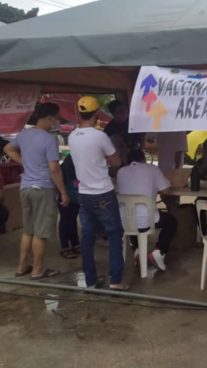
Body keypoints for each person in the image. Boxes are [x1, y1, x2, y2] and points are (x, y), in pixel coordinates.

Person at [4, 103, 69, 281]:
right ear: (50, 118)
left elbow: (7, 149)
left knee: (28, 230)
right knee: (41, 232)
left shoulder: (24, 135)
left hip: (26, 188)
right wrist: (63, 192)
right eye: (58, 118)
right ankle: (38, 270)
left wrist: (25, 162)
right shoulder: (49, 139)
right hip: (44, 188)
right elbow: (54, 168)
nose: (58, 122)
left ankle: (22, 266)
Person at [68, 96, 128, 290]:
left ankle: (91, 280)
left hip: (83, 193)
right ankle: (116, 280)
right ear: (95, 113)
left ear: (79, 113)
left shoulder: (72, 136)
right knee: (115, 233)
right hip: (103, 192)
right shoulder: (100, 136)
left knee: (87, 236)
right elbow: (116, 160)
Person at [116, 149, 178, 271]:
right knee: (171, 221)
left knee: (132, 216)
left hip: (124, 221)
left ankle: (138, 250)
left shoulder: (121, 172)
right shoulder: (152, 169)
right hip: (147, 220)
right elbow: (166, 190)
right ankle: (159, 251)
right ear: (143, 159)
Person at [58, 154, 80, 259]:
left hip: (72, 191)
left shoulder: (71, 159)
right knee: (66, 219)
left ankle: (75, 243)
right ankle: (65, 246)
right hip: (66, 192)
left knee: (71, 218)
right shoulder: (71, 161)